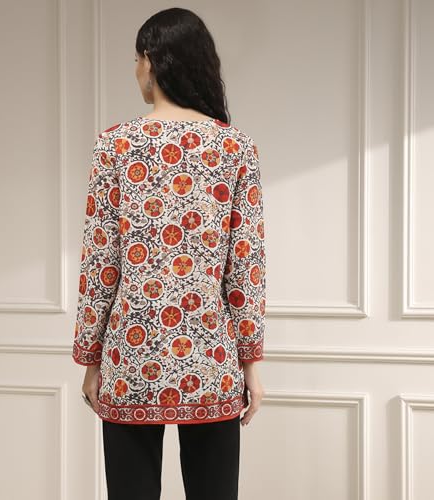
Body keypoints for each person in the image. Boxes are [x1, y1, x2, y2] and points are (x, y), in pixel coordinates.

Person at [72, 7, 266, 500]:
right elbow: (245, 266)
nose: (135, 70)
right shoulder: (236, 148)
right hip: (210, 358)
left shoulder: (115, 146)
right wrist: (250, 365)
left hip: (131, 356)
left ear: (153, 62)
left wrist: (91, 359)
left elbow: (100, 262)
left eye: (136, 59)